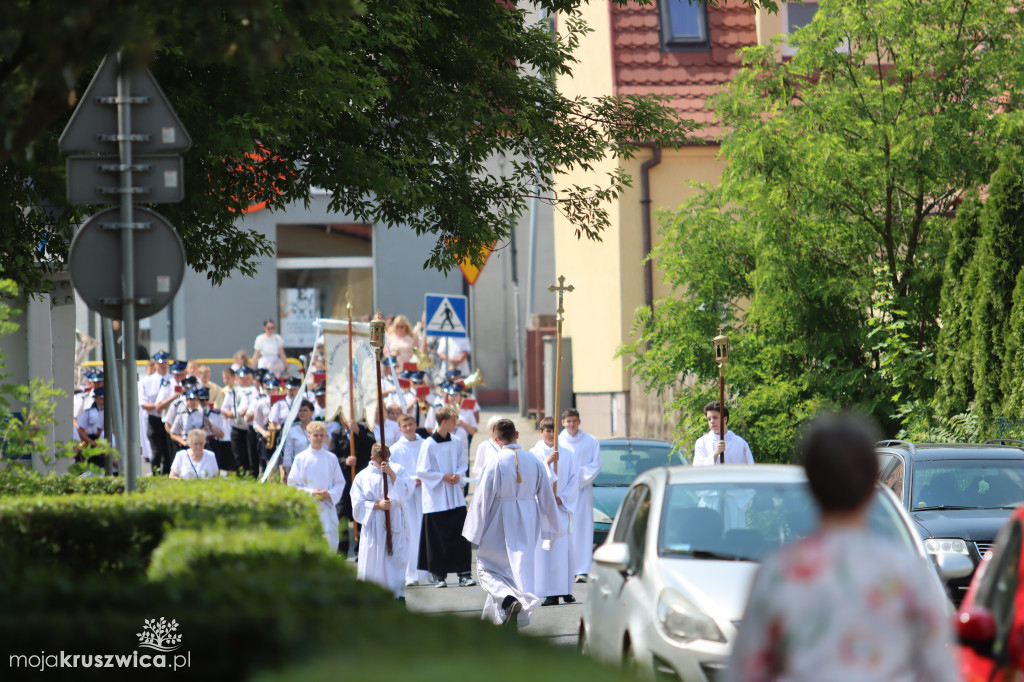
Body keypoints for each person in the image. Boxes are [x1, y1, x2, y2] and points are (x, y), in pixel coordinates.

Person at [725, 413, 956, 682]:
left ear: (810, 487)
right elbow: (941, 672)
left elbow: (745, 673)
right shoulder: (909, 574)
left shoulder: (777, 574)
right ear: (872, 485)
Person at [463, 418, 561, 629]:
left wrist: (475, 531)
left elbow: (482, 499)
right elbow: (546, 496)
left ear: (497, 440)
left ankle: (508, 600)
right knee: (518, 568)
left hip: (500, 518)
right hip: (528, 519)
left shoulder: (495, 461)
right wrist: (550, 528)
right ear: (517, 435)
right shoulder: (534, 460)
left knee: (487, 568)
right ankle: (501, 616)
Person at [416, 405, 476, 588]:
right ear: (443, 422)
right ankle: (439, 575)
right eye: (453, 421)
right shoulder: (428, 444)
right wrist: (442, 477)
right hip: (436, 498)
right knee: (437, 538)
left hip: (454, 495)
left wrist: (457, 475)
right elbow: (422, 471)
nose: (456, 423)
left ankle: (464, 574)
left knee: (461, 536)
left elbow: (462, 463)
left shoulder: (457, 441)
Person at [351, 443, 416, 600]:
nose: (384, 462)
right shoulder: (363, 476)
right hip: (375, 523)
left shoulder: (398, 469)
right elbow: (357, 503)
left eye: (387, 458)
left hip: (395, 521)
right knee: (374, 561)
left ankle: (398, 596)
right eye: (380, 460)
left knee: (397, 560)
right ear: (372, 458)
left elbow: (406, 491)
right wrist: (377, 505)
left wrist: (391, 474)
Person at [531, 416, 579, 605]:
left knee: (564, 549)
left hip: (561, 506)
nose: (551, 434)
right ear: (541, 432)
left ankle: (565, 589)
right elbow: (532, 476)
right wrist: (548, 463)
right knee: (547, 549)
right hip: (544, 508)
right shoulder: (534, 453)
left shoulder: (567, 453)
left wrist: (563, 497)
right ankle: (550, 590)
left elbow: (575, 478)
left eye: (553, 430)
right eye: (547, 431)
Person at [288, 420, 347, 549]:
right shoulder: (300, 458)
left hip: (327, 508)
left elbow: (339, 482)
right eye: (316, 435)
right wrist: (311, 493)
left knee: (329, 547)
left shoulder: (331, 458)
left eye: (322, 435)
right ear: (309, 436)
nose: (319, 438)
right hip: (308, 509)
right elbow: (292, 485)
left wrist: (329, 494)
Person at [558, 408, 601, 580]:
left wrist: (577, 479)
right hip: (563, 491)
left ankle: (582, 568)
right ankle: (564, 566)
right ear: (563, 423)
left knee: (583, 527)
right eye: (568, 421)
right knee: (564, 527)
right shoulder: (558, 441)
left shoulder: (591, 441)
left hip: (583, 489)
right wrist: (567, 483)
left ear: (579, 421)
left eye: (574, 420)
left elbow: (596, 465)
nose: (571, 424)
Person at [388, 414, 431, 586]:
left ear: (416, 424)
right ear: (399, 428)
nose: (408, 428)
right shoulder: (396, 449)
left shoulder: (425, 444)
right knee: (411, 532)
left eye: (411, 424)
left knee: (427, 531)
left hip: (426, 492)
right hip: (407, 494)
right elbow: (394, 472)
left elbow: (432, 465)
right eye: (404, 426)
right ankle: (411, 573)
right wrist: (411, 481)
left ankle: (431, 571)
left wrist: (425, 478)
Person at [138, 351, 176, 475]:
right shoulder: (146, 381)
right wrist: (159, 405)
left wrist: (162, 405)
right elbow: (143, 404)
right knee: (156, 452)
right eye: (160, 363)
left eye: (165, 363)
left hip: (169, 419)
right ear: (155, 364)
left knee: (168, 451)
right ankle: (155, 475)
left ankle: (165, 476)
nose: (163, 365)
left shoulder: (173, 380)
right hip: (154, 419)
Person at [693, 401, 754, 466]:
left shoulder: (741, 443)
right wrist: (715, 454)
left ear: (725, 419)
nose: (712, 421)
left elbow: (751, 469)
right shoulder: (702, 442)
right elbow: (697, 469)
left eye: (715, 418)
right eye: (709, 419)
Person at [221, 366, 257, 474]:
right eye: (242, 378)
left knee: (251, 455)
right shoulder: (233, 391)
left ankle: (252, 475)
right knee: (238, 455)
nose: (244, 380)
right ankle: (241, 474)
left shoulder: (254, 391)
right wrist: (229, 413)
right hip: (236, 426)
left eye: (246, 378)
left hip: (250, 427)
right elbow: (223, 408)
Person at [281, 400, 315, 481]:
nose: (302, 413)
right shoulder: (292, 431)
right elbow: (288, 453)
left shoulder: (318, 429)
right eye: (300, 410)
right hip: (299, 469)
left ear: (312, 412)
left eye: (305, 410)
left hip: (316, 467)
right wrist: (287, 471)